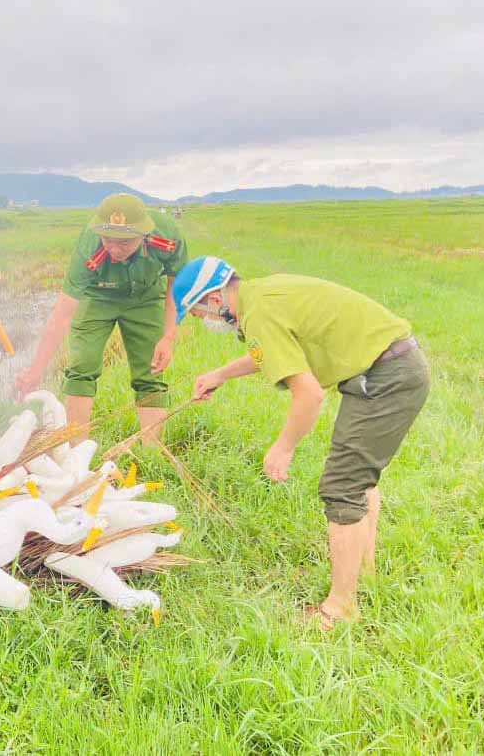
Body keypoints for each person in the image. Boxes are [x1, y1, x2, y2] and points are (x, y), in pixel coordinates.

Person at [174, 256, 431, 628]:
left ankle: (340, 608)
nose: (204, 322)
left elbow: (309, 395)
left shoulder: (259, 312)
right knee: (359, 478)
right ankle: (364, 574)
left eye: (199, 314)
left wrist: (283, 447)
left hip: (387, 375)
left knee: (343, 486)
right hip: (393, 364)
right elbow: (273, 351)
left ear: (214, 300)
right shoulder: (262, 294)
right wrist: (221, 374)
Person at [15, 193, 187, 445]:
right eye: (108, 240)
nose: (114, 249)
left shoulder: (168, 236)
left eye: (124, 243)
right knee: (82, 366)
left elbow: (177, 286)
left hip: (145, 296)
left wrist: (168, 337)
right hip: (97, 296)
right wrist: (35, 370)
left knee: (150, 370)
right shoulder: (89, 246)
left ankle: (152, 452)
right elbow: (61, 316)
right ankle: (76, 452)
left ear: (143, 234)